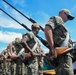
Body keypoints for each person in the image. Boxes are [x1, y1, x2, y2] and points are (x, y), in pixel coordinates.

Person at [44, 9, 74, 75]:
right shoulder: (57, 18)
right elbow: (47, 28)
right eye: (68, 16)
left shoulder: (62, 24)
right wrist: (52, 47)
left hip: (65, 56)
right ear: (63, 13)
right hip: (62, 58)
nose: (68, 19)